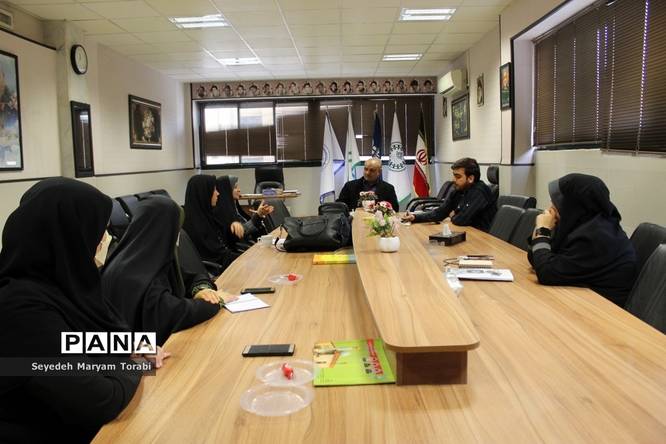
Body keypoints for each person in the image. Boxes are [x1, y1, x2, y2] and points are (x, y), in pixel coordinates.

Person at [0, 178, 161, 442]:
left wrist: (137, 344)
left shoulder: (58, 285)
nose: (104, 240)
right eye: (98, 230)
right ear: (70, 236)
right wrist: (135, 363)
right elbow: (101, 398)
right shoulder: (20, 309)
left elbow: (72, 341)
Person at [102, 197, 225, 346]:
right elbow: (171, 315)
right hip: (141, 354)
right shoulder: (134, 274)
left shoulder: (148, 256)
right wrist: (214, 302)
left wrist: (202, 290)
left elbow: (188, 277)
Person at [528, 174, 637, 305]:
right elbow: (537, 260)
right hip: (579, 298)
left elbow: (546, 272)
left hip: (601, 309)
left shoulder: (597, 237)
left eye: (557, 201)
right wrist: (542, 229)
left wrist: (542, 230)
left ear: (574, 204)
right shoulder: (579, 224)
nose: (551, 207)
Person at [402, 157, 497, 231]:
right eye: (454, 176)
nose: (453, 180)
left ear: (470, 178)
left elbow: (461, 220)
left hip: (483, 238)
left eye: (458, 177)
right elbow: (440, 213)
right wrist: (415, 217)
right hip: (466, 232)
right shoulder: (458, 189)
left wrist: (453, 215)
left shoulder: (480, 191)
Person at [182, 175, 240, 270]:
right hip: (216, 273)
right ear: (204, 193)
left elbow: (224, 245)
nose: (218, 193)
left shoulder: (207, 216)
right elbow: (218, 257)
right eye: (214, 190)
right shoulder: (195, 225)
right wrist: (245, 259)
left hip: (226, 265)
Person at [214, 176, 273, 249]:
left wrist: (259, 216)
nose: (239, 190)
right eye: (235, 187)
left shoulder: (235, 208)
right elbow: (241, 233)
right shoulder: (222, 213)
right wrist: (257, 216)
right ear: (226, 190)